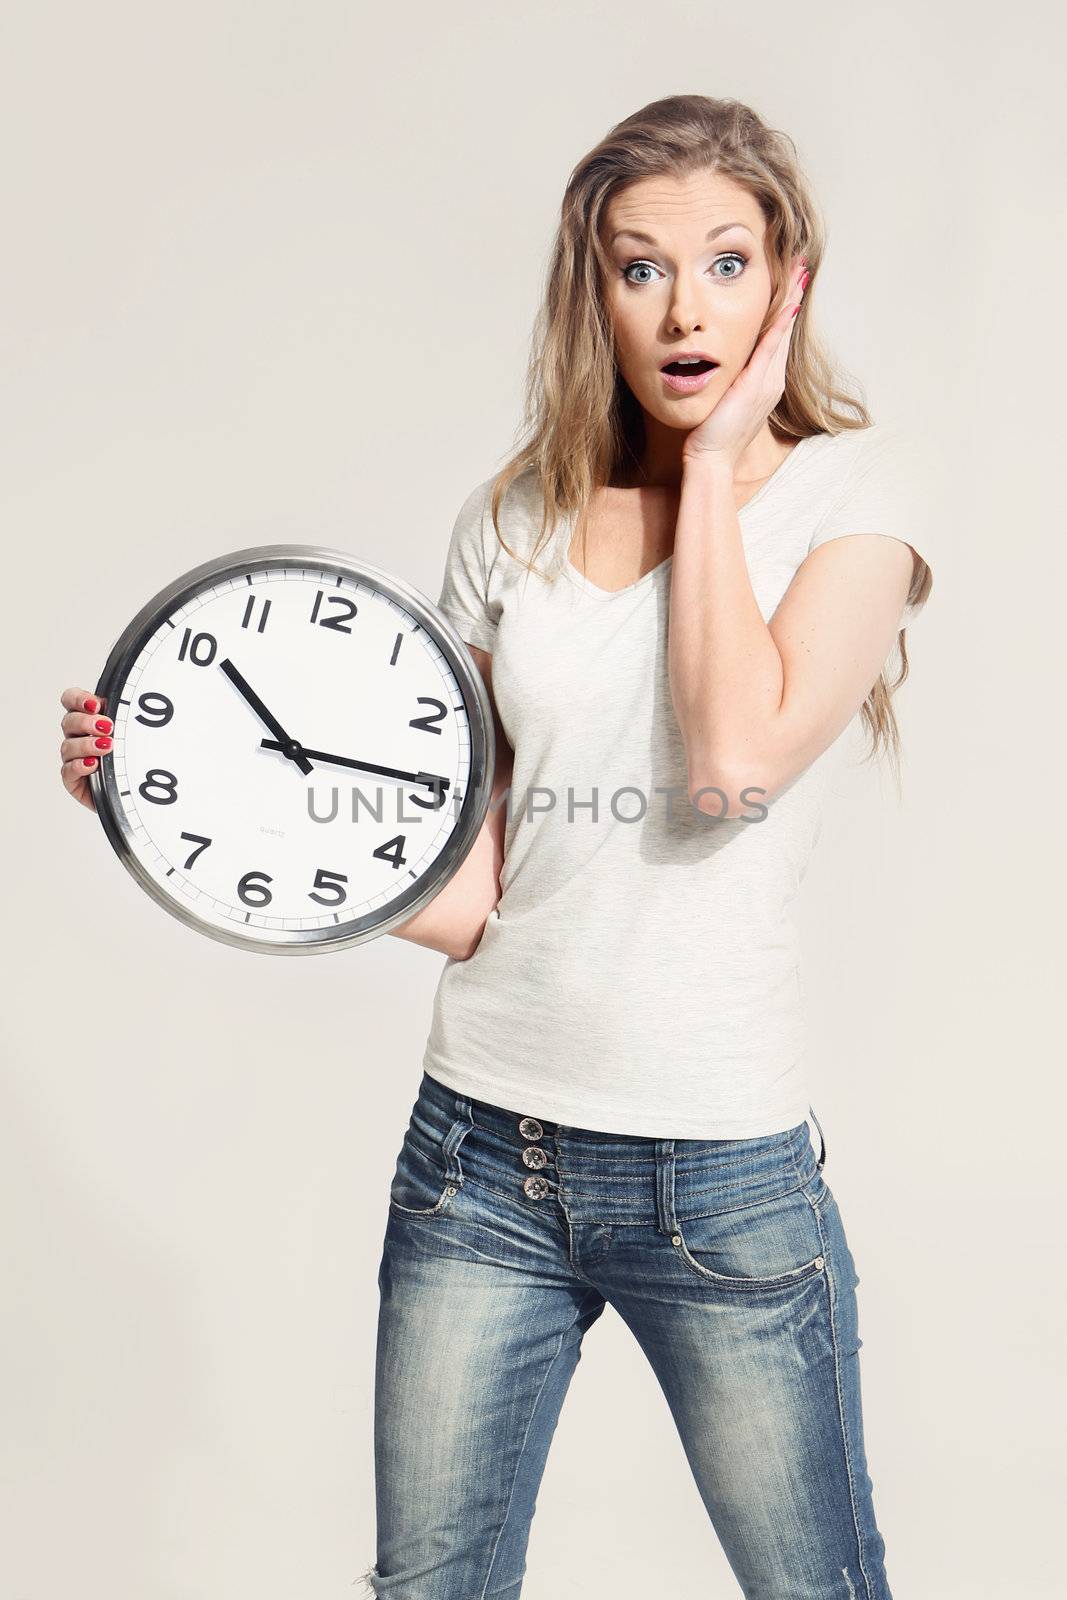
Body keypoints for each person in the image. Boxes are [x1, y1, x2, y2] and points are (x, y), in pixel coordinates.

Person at [60, 95, 933, 1599]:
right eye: (638, 265)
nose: (682, 307)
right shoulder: (512, 520)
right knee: (432, 1589)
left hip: (718, 1179)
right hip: (480, 1159)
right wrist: (175, 797)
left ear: (789, 277)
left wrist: (715, 467)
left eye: (727, 263)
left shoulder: (853, 505)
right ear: (590, 288)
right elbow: (470, 894)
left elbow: (730, 768)